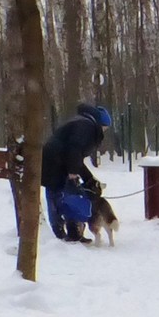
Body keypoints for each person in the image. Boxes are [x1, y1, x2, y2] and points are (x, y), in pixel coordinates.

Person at [41, 103, 111, 242]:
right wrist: (73, 172)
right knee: (59, 196)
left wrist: (89, 179)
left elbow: (76, 156)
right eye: (105, 128)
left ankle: (72, 234)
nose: (104, 131)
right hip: (55, 165)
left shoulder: (81, 122)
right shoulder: (87, 126)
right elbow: (74, 149)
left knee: (67, 196)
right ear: (101, 123)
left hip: (56, 162)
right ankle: (60, 235)